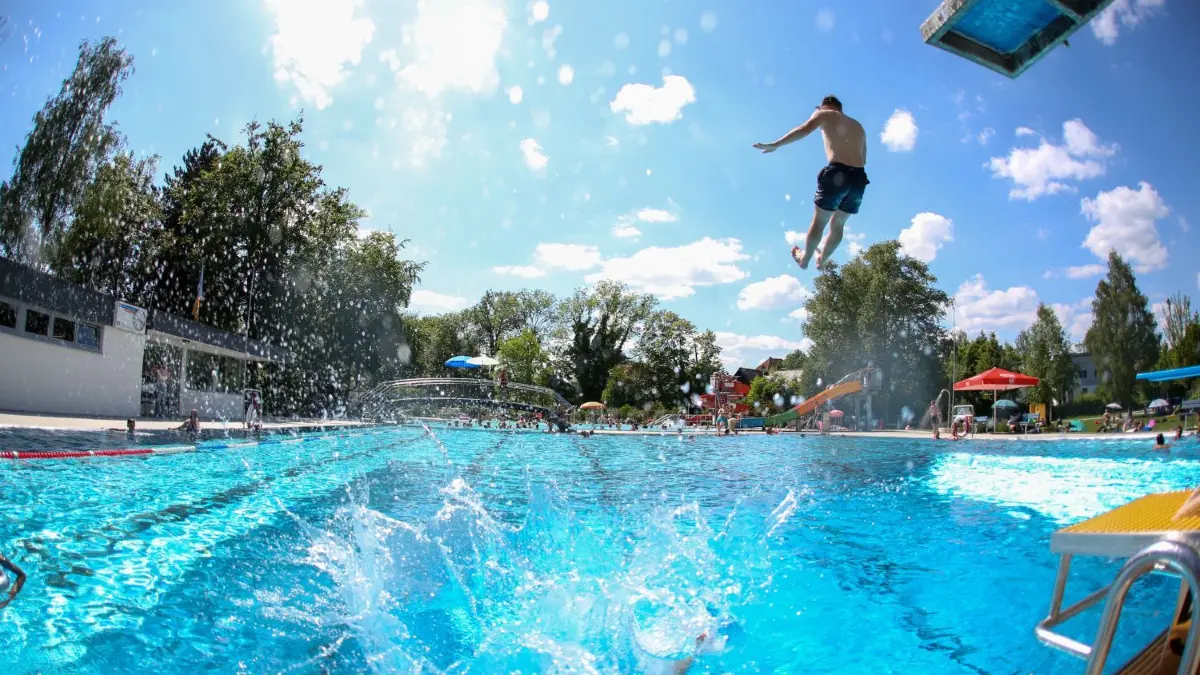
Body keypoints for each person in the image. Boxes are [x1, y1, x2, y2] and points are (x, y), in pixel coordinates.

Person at [754, 95, 869, 270]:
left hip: (838, 174)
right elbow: (864, 159)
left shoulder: (824, 113)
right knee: (838, 224)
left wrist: (776, 144)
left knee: (820, 221)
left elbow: (805, 129)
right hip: (859, 179)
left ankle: (805, 259)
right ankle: (822, 260)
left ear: (824, 106)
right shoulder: (858, 126)